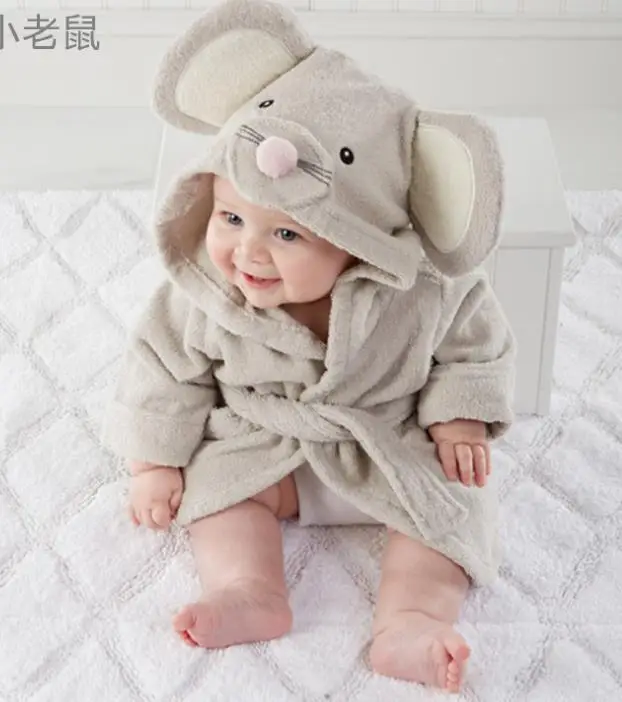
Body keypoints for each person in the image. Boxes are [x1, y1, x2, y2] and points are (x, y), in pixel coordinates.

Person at [101, 0, 516, 693]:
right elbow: (160, 366)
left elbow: (474, 341)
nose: (247, 252)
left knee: (454, 512)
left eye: (287, 234)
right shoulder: (205, 295)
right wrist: (154, 462)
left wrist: (458, 417)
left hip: (388, 443)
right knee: (219, 496)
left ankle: (411, 623)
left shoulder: (420, 289)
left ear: (360, 239)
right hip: (266, 449)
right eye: (230, 218)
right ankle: (248, 590)